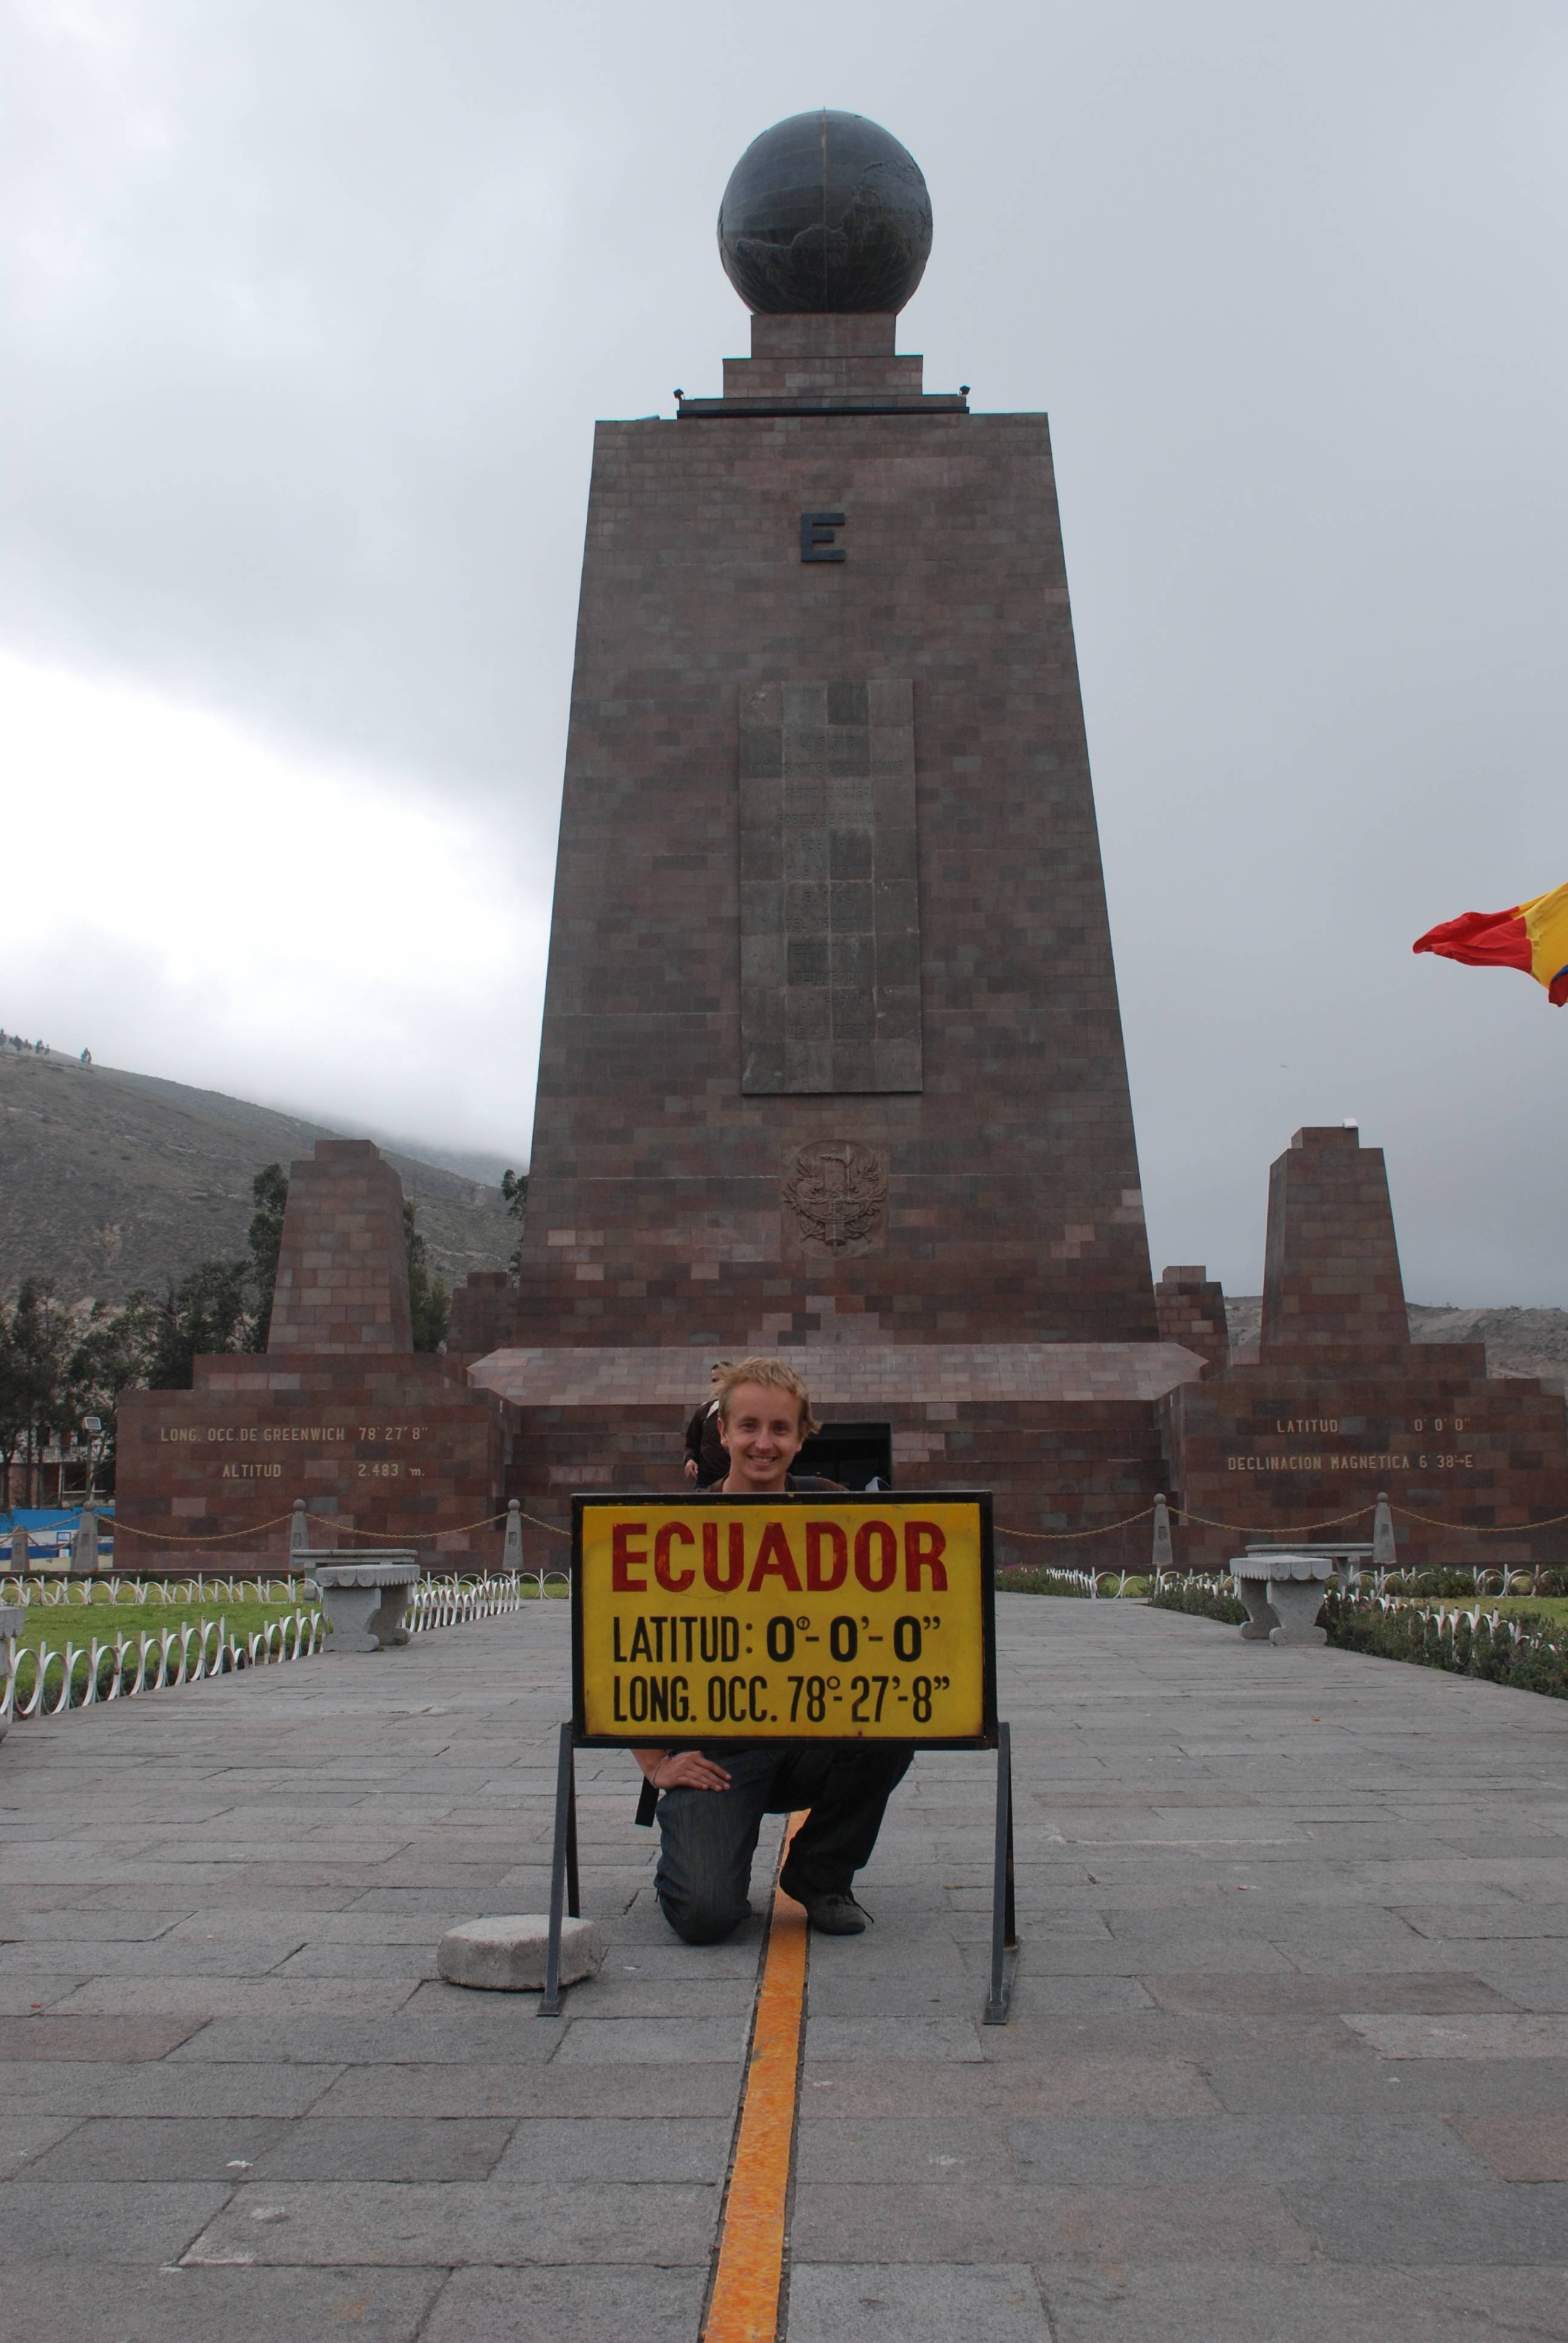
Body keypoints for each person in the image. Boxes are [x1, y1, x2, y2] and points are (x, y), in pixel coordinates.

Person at [635, 1355, 912, 1942]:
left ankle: (820, 1874)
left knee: (901, 1712)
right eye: (749, 1426)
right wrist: (655, 1764)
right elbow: (627, 1650)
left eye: (780, 1428)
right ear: (723, 1432)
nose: (764, 1443)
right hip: (718, 1750)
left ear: (802, 1434)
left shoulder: (836, 1510)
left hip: (816, 1730)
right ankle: (699, 1853)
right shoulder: (677, 1527)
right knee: (705, 1918)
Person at [681, 1362, 731, 1487]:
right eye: (714, 1381)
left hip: (739, 1485)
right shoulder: (705, 1411)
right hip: (706, 1484)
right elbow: (691, 1444)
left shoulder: (748, 1411)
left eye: (721, 1380)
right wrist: (690, 1460)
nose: (717, 1386)